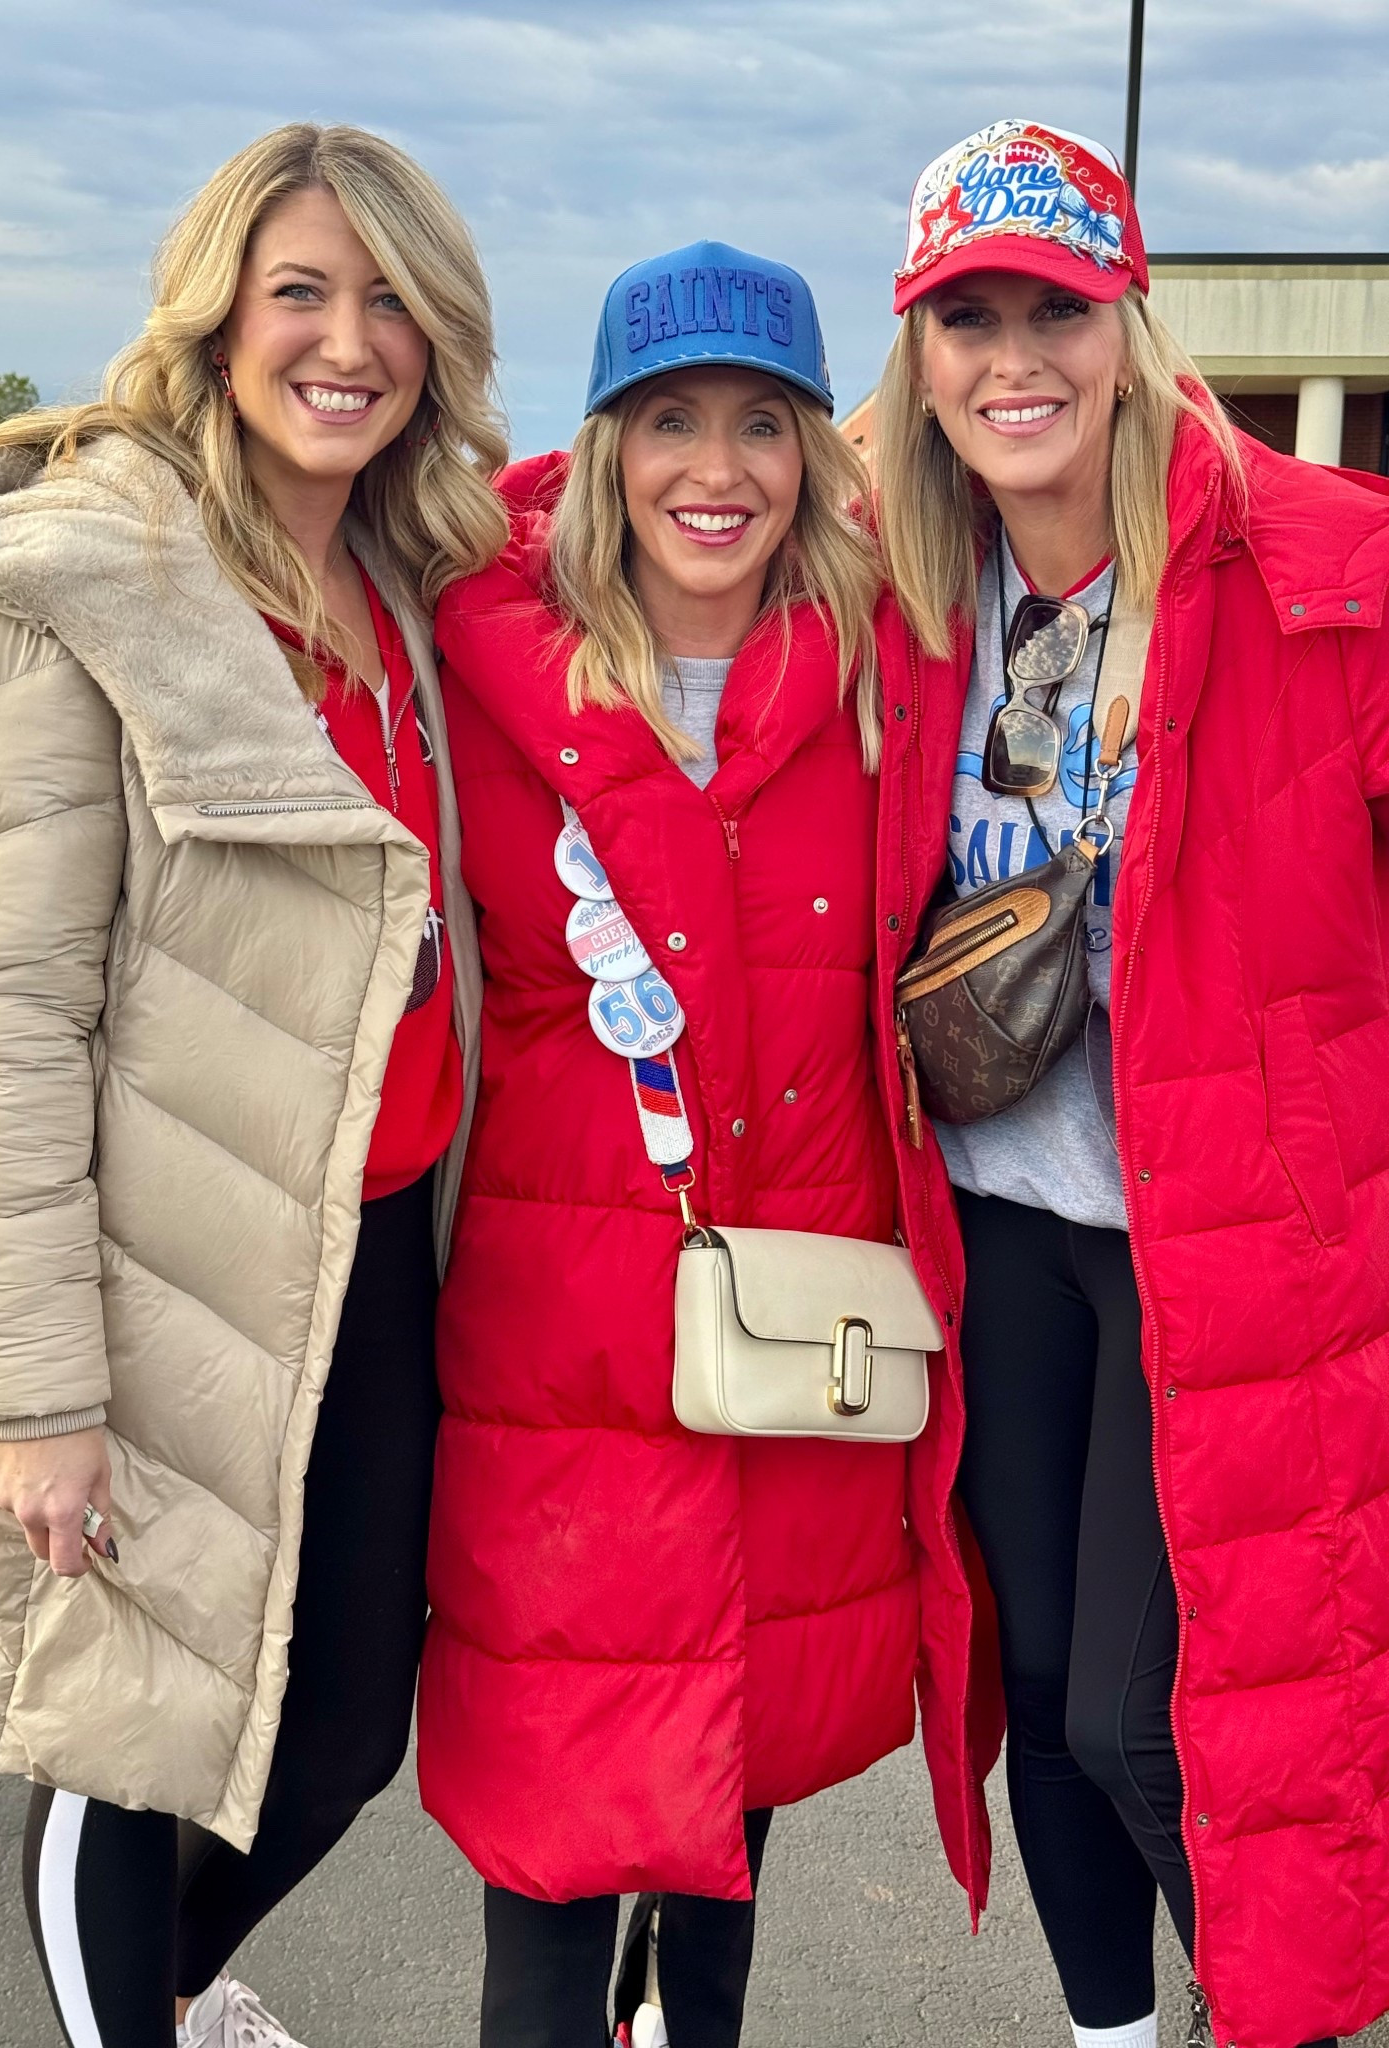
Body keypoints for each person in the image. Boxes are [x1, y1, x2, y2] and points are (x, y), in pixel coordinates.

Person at [0, 122, 506, 2048]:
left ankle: (172, 1989)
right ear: (216, 312)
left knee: (337, 1736)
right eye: (300, 287)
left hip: (370, 1246)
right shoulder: (107, 581)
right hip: (151, 1272)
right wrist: (41, 1396)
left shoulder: (402, 583)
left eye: (391, 297)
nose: (348, 337)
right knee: (132, 1749)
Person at [420, 240, 993, 2048]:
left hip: (793, 1338)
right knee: (550, 1847)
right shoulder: (474, 661)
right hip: (562, 1355)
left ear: (816, 452)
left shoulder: (894, 666)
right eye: (669, 421)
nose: (715, 470)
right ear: (606, 445)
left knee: (729, 1829)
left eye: (761, 423)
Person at [866, 118, 1389, 2048]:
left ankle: (1281, 2020)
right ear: (918, 364)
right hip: (1002, 1217)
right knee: (1036, 1703)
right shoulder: (902, 592)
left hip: (1235, 1232)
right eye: (969, 317)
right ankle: (1110, 2034)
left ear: (1131, 325)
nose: (1016, 358)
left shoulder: (1321, 567)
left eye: (1057, 309)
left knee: (1153, 1711)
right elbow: (601, 511)